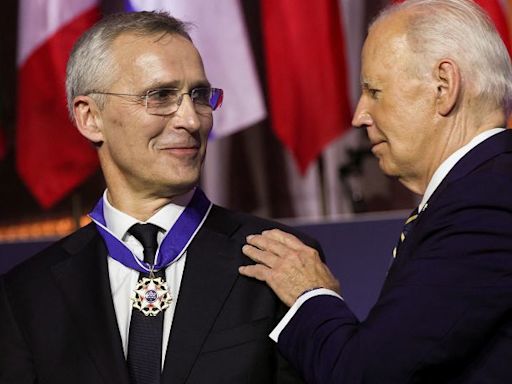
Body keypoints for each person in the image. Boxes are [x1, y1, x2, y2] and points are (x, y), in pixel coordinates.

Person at [0, 11, 319, 384]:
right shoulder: (27, 295)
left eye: (199, 96)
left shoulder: (280, 260)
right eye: (161, 96)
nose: (191, 119)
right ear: (90, 117)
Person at [239, 0, 512, 383]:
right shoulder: (480, 190)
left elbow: (365, 376)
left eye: (374, 91)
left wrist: (311, 294)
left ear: (443, 86)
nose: (359, 115)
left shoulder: (485, 202)